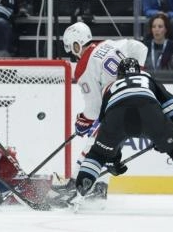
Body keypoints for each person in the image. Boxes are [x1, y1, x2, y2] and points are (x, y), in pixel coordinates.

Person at [69, 58, 173, 215]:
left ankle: (78, 193)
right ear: (138, 71)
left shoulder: (110, 87)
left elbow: (107, 126)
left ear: (119, 74)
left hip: (116, 116)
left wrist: (112, 159)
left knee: (97, 154)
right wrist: (167, 135)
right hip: (149, 111)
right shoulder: (147, 78)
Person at [52, 22, 148, 207]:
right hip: (141, 101)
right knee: (108, 145)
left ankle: (75, 184)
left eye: (72, 48)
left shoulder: (83, 67)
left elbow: (94, 109)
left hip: (120, 106)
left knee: (96, 144)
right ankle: (100, 187)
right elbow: (140, 47)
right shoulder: (109, 44)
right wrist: (138, 74)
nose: (73, 53)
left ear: (76, 44)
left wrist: (83, 121)